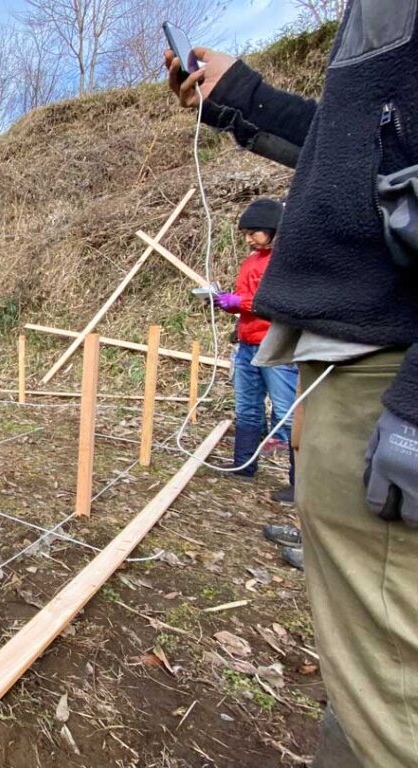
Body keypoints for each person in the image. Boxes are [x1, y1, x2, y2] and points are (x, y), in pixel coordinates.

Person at [165, 5, 418, 765]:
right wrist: (242, 98)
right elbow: (356, 155)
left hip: (390, 366)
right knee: (367, 688)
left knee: (392, 702)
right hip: (355, 359)